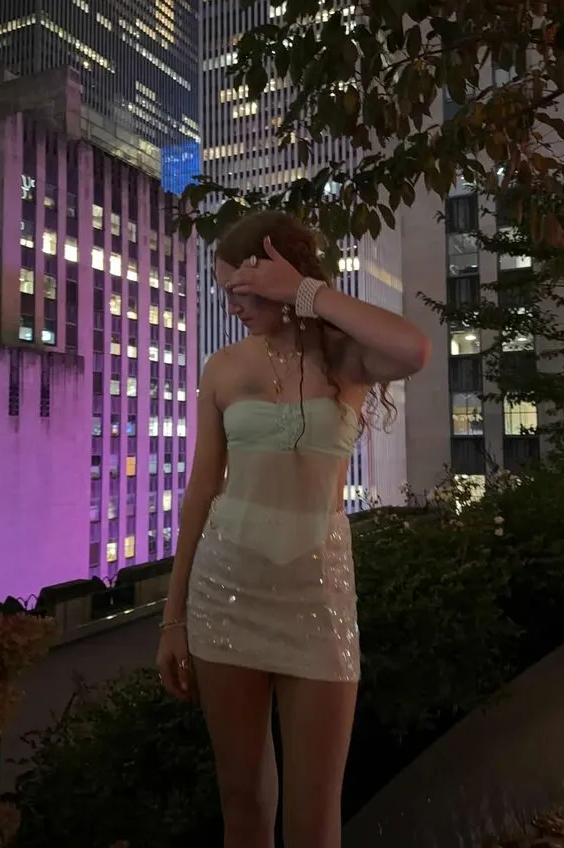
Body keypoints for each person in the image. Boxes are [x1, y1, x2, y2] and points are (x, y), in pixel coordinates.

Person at [156, 210, 430, 848]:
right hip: (225, 591)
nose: (232, 307)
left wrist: (307, 291)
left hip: (318, 599)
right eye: (224, 292)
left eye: (242, 290)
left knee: (314, 817)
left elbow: (415, 349)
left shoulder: (347, 359)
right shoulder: (223, 368)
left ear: (278, 278)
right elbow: (201, 490)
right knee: (243, 801)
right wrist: (173, 618)